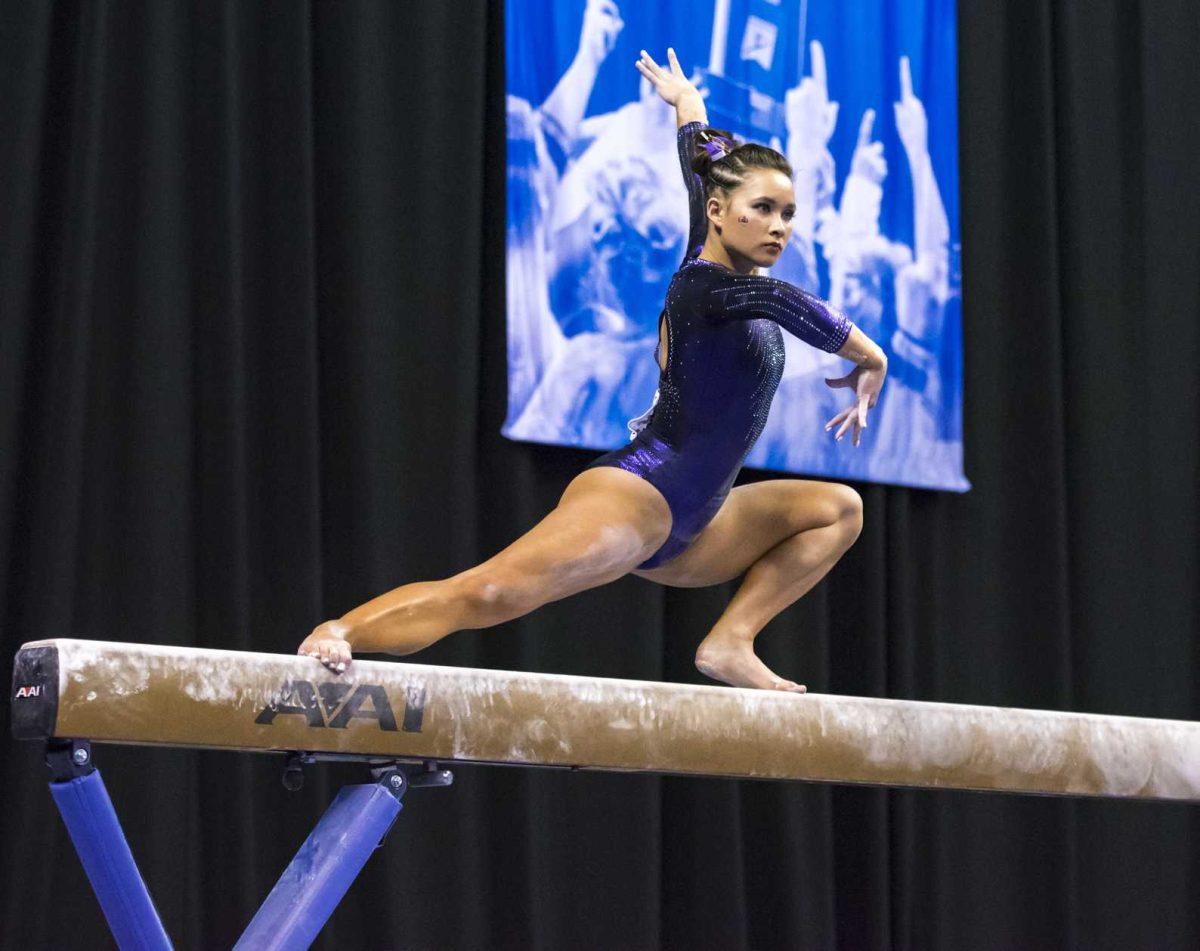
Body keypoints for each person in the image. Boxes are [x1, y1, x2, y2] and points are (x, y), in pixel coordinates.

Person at [299, 48, 888, 693]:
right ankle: (343, 630)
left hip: (701, 526)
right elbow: (785, 302)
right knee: (495, 591)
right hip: (639, 495)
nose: (779, 228)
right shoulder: (706, 287)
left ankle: (731, 641)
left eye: (788, 214)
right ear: (720, 213)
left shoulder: (718, 241)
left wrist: (690, 110)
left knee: (837, 509)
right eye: (765, 209)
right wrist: (870, 355)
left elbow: (702, 167)